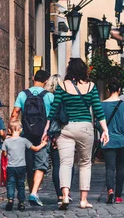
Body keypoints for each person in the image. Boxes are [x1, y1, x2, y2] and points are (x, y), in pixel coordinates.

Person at [45, 58, 109, 210]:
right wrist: (105, 130)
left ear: (69, 70)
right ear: (84, 70)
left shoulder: (62, 85)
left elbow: (54, 109)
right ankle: (83, 200)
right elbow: (98, 110)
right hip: (85, 127)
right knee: (85, 163)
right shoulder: (91, 86)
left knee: (65, 163)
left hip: (66, 128)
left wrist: (46, 128)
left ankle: (65, 195)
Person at [9, 69, 53, 206]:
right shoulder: (49, 96)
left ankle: (30, 191)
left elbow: (15, 114)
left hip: (26, 135)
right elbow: (53, 117)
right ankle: (34, 192)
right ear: (46, 81)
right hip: (43, 135)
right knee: (40, 164)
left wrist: (11, 132)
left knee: (28, 165)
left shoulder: (23, 94)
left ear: (33, 78)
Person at [2, 122, 48, 211]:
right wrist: (43, 144)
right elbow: (35, 148)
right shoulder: (24, 140)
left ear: (9, 130)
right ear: (21, 130)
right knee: (21, 185)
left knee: (10, 184)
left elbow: (4, 154)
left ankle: (10, 200)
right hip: (21, 167)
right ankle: (21, 203)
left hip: (11, 167)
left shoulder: (6, 141)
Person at [101, 78, 124, 204]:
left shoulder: (102, 105)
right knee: (121, 168)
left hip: (107, 141)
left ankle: (110, 190)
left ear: (108, 89)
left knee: (109, 168)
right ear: (119, 90)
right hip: (122, 141)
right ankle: (119, 195)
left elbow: (98, 124)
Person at [44, 74, 74, 205]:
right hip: (65, 133)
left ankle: (59, 195)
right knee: (68, 164)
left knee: (56, 164)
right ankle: (66, 191)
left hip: (51, 134)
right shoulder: (64, 97)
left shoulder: (45, 97)